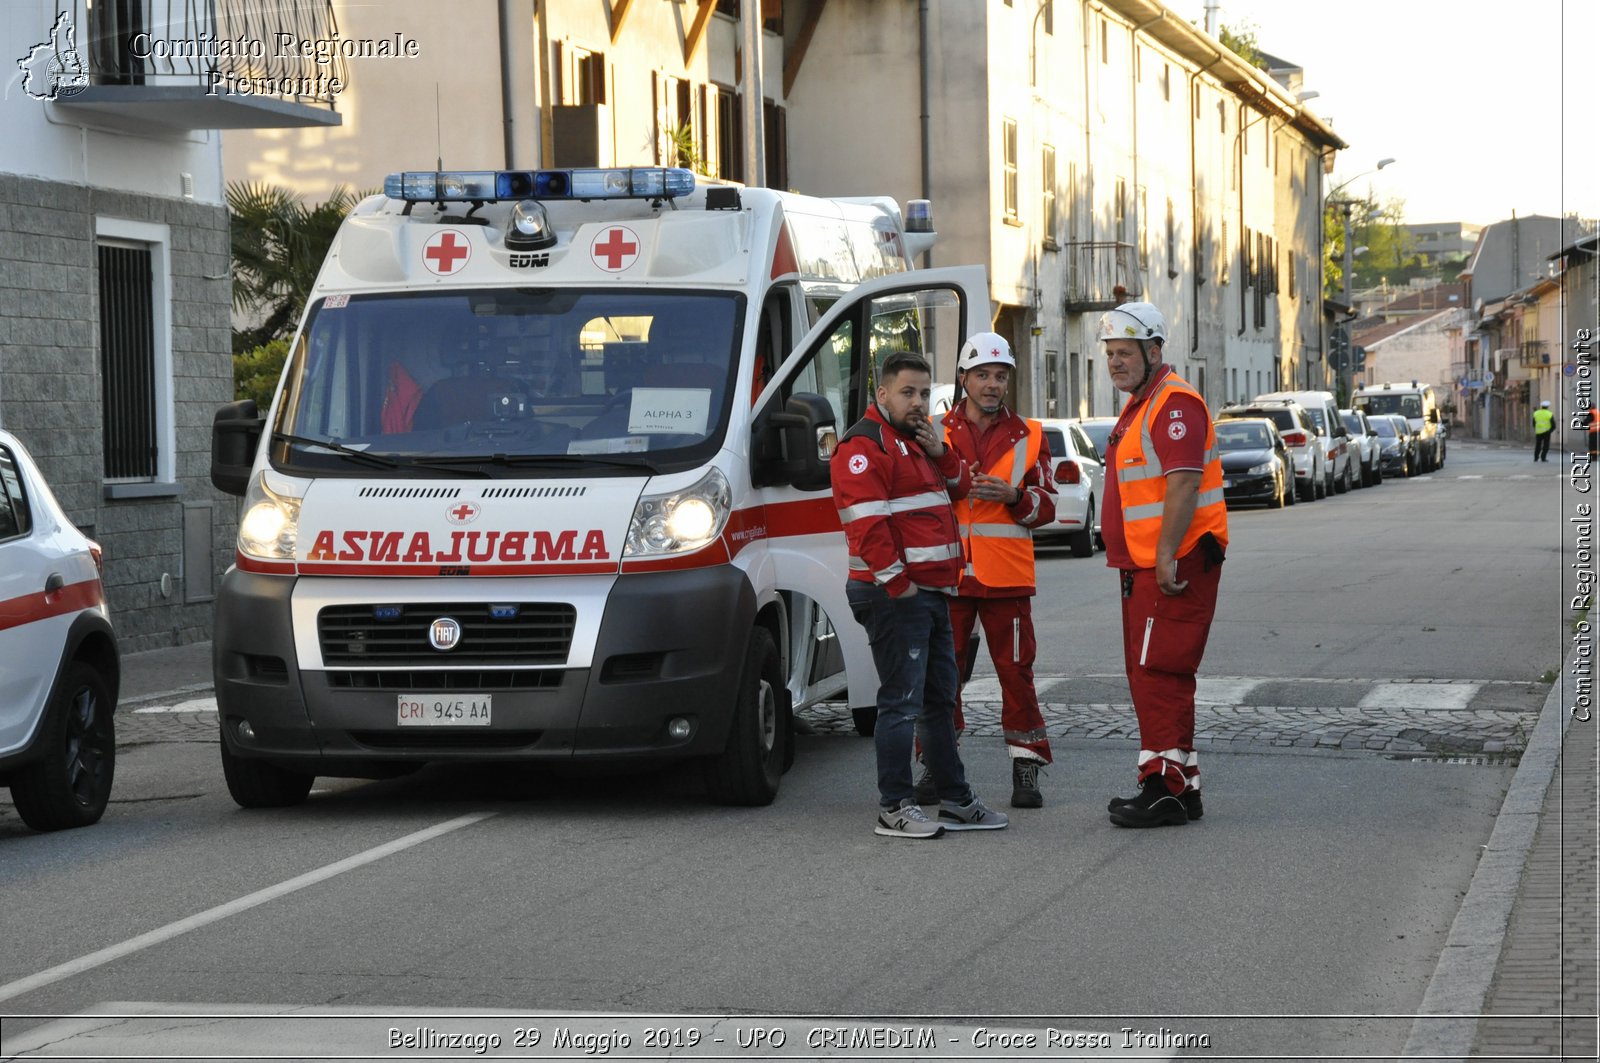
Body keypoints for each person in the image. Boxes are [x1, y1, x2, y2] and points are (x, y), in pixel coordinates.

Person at [833, 351, 1009, 839]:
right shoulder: (864, 446)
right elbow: (868, 525)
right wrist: (899, 584)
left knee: (938, 701)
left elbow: (962, 486)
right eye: (907, 393)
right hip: (895, 595)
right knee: (901, 702)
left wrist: (941, 451)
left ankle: (956, 800)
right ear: (882, 394)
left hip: (929, 593)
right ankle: (894, 806)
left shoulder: (915, 441)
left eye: (924, 394)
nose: (918, 403)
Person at [1096, 301, 1229, 828]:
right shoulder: (1143, 404)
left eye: (1125, 353)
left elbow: (1184, 482)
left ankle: (1165, 789)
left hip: (1172, 564)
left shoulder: (1173, 404)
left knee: (1160, 672)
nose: (1115, 363)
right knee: (1152, 671)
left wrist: (1167, 555)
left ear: (1154, 350)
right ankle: (1182, 785)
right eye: (1110, 354)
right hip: (1150, 566)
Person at [927, 331, 1058, 808]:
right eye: (982, 374)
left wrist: (1016, 498)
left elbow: (1046, 508)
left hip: (1006, 579)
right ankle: (935, 764)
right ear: (963, 378)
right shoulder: (933, 430)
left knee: (1016, 672)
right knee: (942, 676)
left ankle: (1027, 765)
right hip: (950, 575)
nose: (991, 384)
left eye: (1000, 376)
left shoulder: (1031, 434)